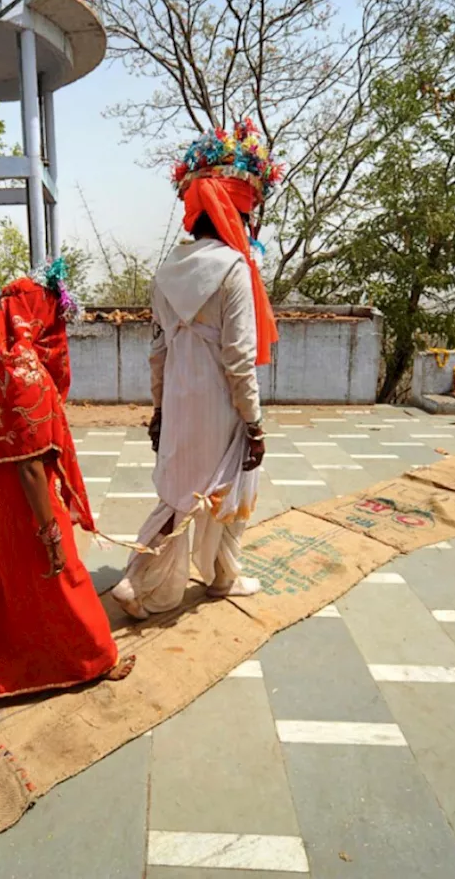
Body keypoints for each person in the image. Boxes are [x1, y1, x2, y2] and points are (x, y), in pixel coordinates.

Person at [0, 263, 134, 718]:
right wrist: (49, 531)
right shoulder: (26, 373)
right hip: (24, 502)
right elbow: (29, 462)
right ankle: (94, 660)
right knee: (62, 576)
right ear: (37, 315)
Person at [112, 119, 283, 619]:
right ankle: (196, 576)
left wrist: (160, 411)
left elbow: (158, 353)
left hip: (181, 403)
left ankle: (162, 578)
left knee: (179, 494)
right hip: (220, 405)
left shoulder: (165, 273)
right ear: (237, 213)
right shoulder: (233, 270)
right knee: (227, 491)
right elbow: (238, 357)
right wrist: (252, 421)